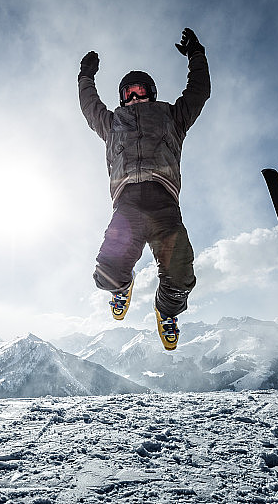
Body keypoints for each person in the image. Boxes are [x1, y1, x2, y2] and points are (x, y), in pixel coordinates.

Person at [78, 28, 211, 351]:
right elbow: (89, 106)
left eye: (140, 91)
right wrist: (85, 77)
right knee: (105, 274)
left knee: (180, 274)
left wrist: (197, 56)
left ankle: (167, 312)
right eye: (128, 93)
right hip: (128, 206)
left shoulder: (172, 117)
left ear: (150, 92)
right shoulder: (112, 124)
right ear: (122, 98)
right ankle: (121, 287)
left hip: (164, 204)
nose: (134, 98)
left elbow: (198, 92)